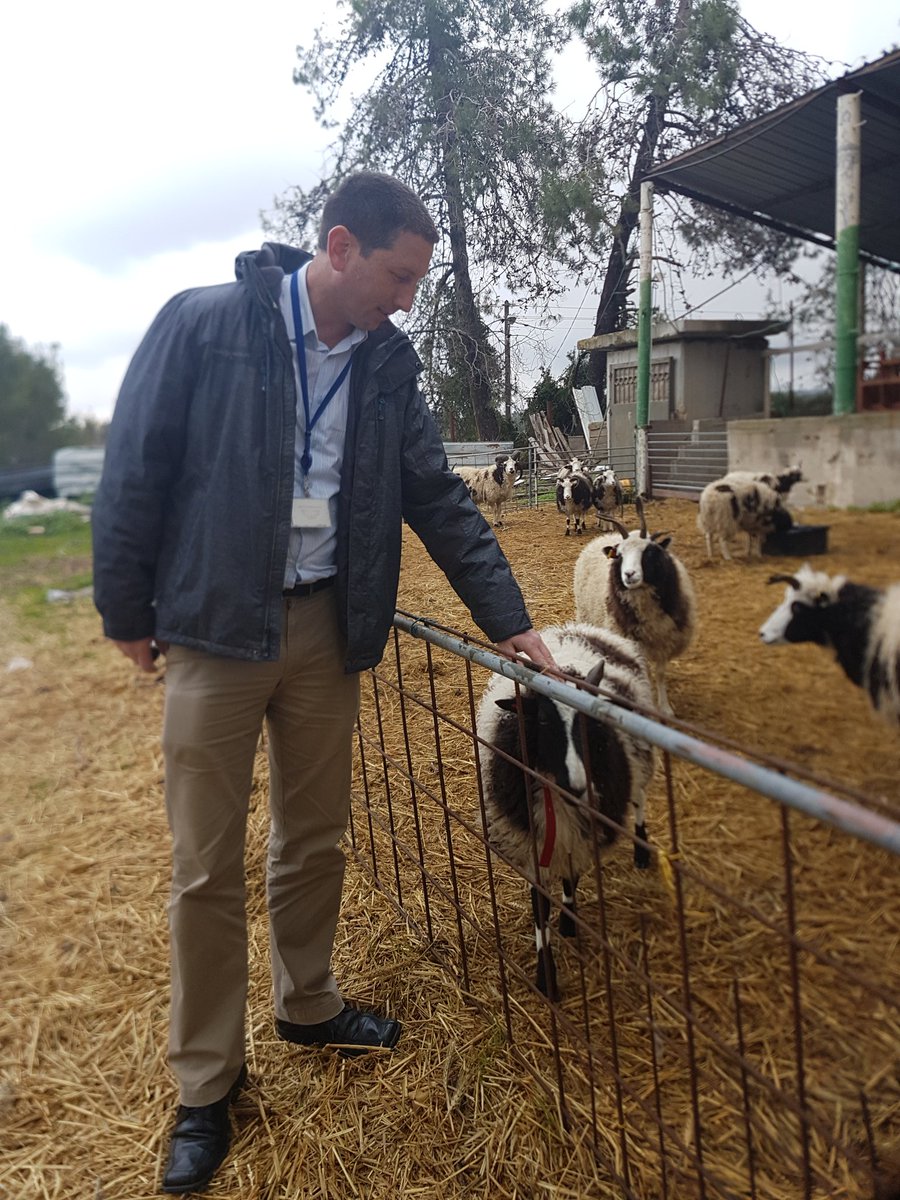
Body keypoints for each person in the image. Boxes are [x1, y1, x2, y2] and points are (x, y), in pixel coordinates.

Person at [92, 170, 555, 1194]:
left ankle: (309, 1003)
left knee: (317, 836)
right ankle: (206, 1083)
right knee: (204, 866)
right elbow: (138, 463)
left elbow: (438, 497)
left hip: (322, 631)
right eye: (399, 275)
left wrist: (511, 621)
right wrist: (126, 609)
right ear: (341, 248)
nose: (407, 298)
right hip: (215, 630)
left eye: (417, 281)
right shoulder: (204, 324)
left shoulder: (388, 368)